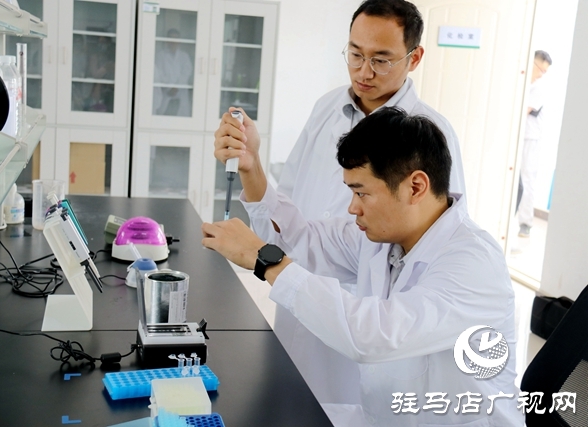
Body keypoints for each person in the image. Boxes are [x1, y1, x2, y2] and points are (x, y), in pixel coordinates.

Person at [214, 0, 466, 410]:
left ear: (414, 57)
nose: (364, 72)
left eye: (381, 60)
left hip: (366, 327)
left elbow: (429, 261)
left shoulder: (430, 137)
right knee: (288, 404)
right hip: (299, 302)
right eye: (355, 54)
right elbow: (293, 226)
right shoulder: (327, 108)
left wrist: (269, 261)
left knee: (348, 407)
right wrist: (251, 164)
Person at [203, 107, 521, 426]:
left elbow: (373, 335)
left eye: (361, 193)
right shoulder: (381, 239)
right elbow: (300, 242)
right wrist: (251, 167)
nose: (353, 207)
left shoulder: (474, 263)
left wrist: (265, 260)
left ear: (415, 187)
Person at [516, 50, 552, 238]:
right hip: (518, 137)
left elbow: (523, 111)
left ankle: (525, 224)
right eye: (541, 70)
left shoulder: (539, 88)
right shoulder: (521, 81)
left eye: (545, 72)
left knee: (527, 179)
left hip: (530, 139)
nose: (541, 75)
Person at [154, 28, 194, 117]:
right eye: (170, 38)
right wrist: (170, 87)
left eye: (175, 38)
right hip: (166, 92)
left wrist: (177, 87)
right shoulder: (160, 56)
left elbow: (187, 72)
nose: (173, 41)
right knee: (164, 118)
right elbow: (158, 73)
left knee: (181, 119)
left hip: (180, 92)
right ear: (167, 40)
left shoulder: (184, 56)